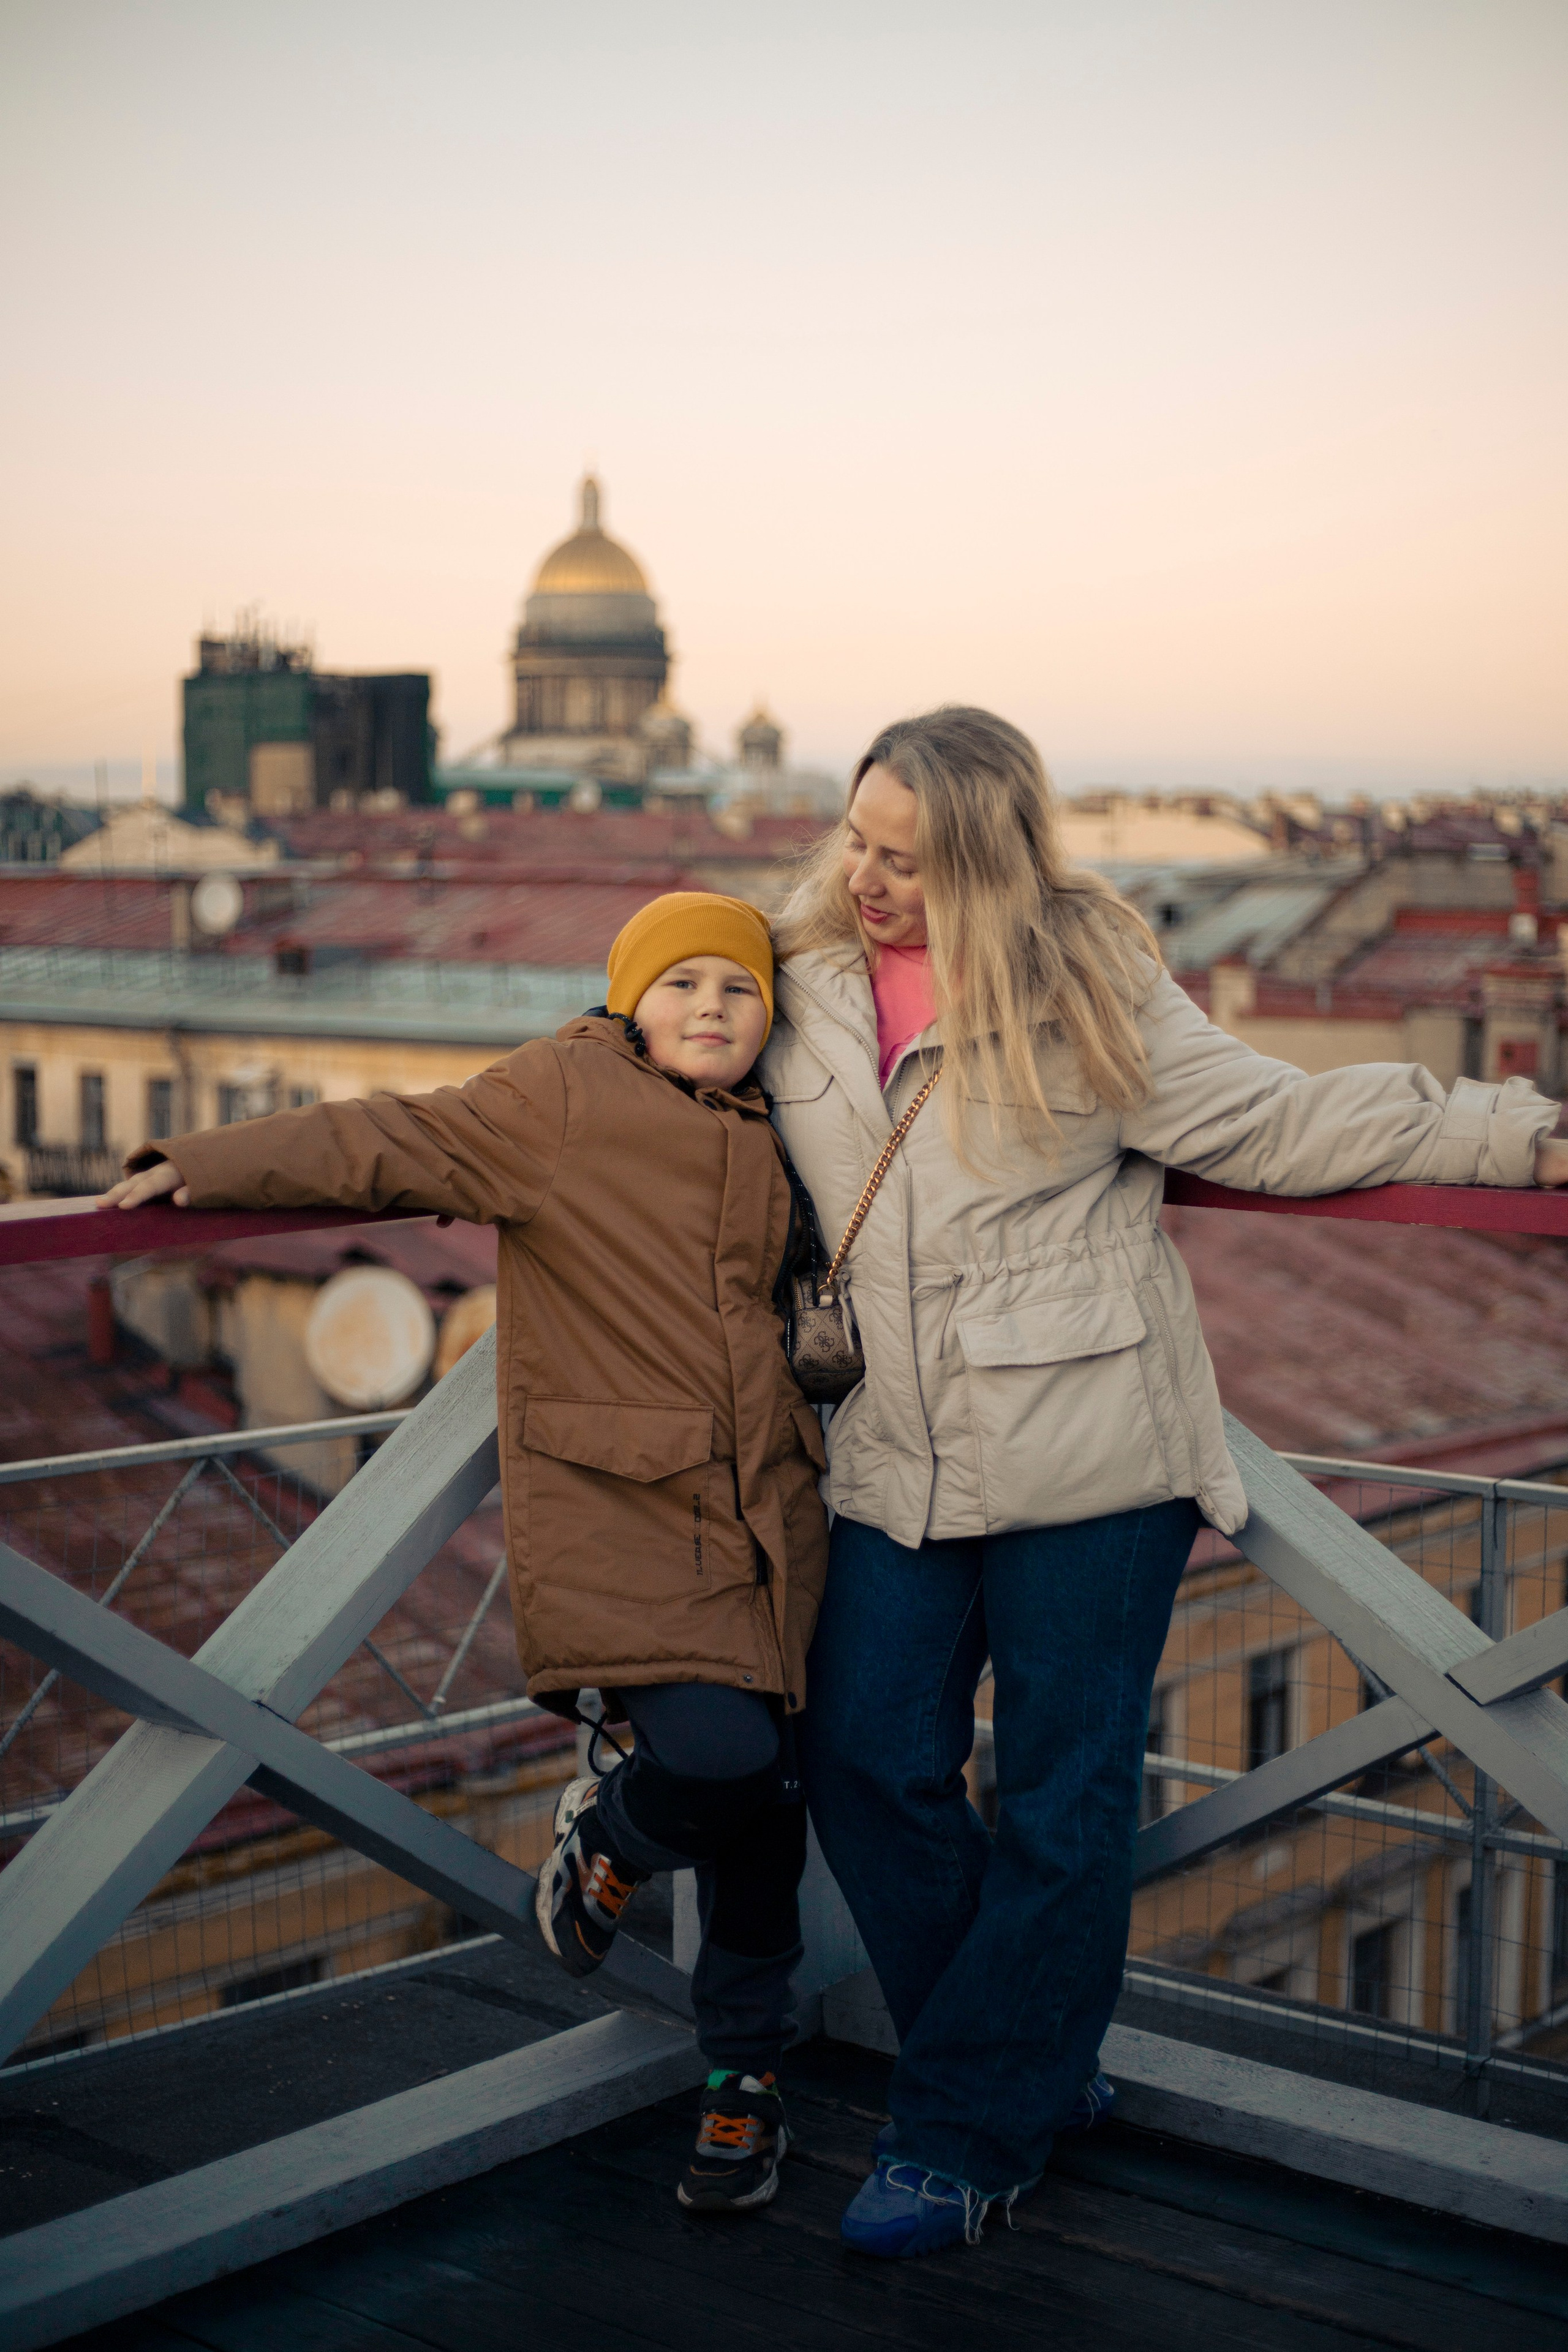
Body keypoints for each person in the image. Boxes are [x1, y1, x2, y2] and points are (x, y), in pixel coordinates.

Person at [763, 706, 1568, 2259]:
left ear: (987, 866)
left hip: (1093, 1458)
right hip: (888, 1455)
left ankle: (966, 2135)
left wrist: (1520, 1135)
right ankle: (1020, 2066)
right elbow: (601, 1091)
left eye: (906, 862)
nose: (866, 879)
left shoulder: (1085, 982)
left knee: (1064, 1803)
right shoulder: (793, 984)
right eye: (854, 842)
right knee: (863, 1759)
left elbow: (1271, 1117)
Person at [103, 891, 829, 2217]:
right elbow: (391, 1138)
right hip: (633, 1506)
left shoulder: (781, 1129)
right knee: (718, 1765)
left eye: (739, 988)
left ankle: (744, 2078)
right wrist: (201, 1162)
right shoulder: (559, 1097)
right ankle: (605, 1832)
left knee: (770, 1808)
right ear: (627, 1002)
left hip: (771, 1515)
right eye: (680, 987)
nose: (712, 1009)